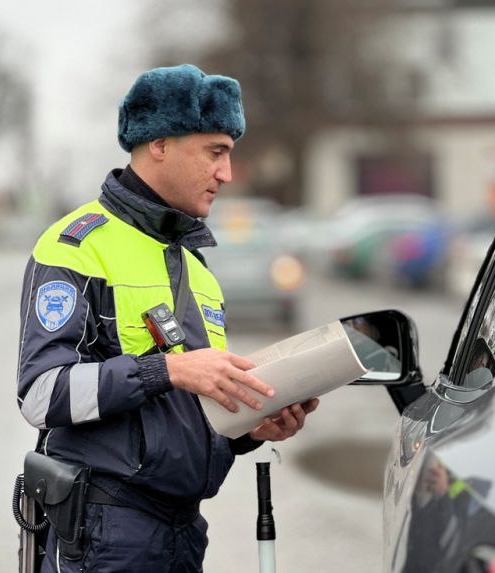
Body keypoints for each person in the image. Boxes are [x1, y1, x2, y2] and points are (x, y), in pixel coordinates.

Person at [16, 64, 319, 572]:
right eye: (215, 152)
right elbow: (40, 394)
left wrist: (252, 428)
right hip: (105, 534)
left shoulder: (193, 264)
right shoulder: (78, 245)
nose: (226, 173)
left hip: (181, 532)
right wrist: (168, 369)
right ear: (159, 143)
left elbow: (180, 416)